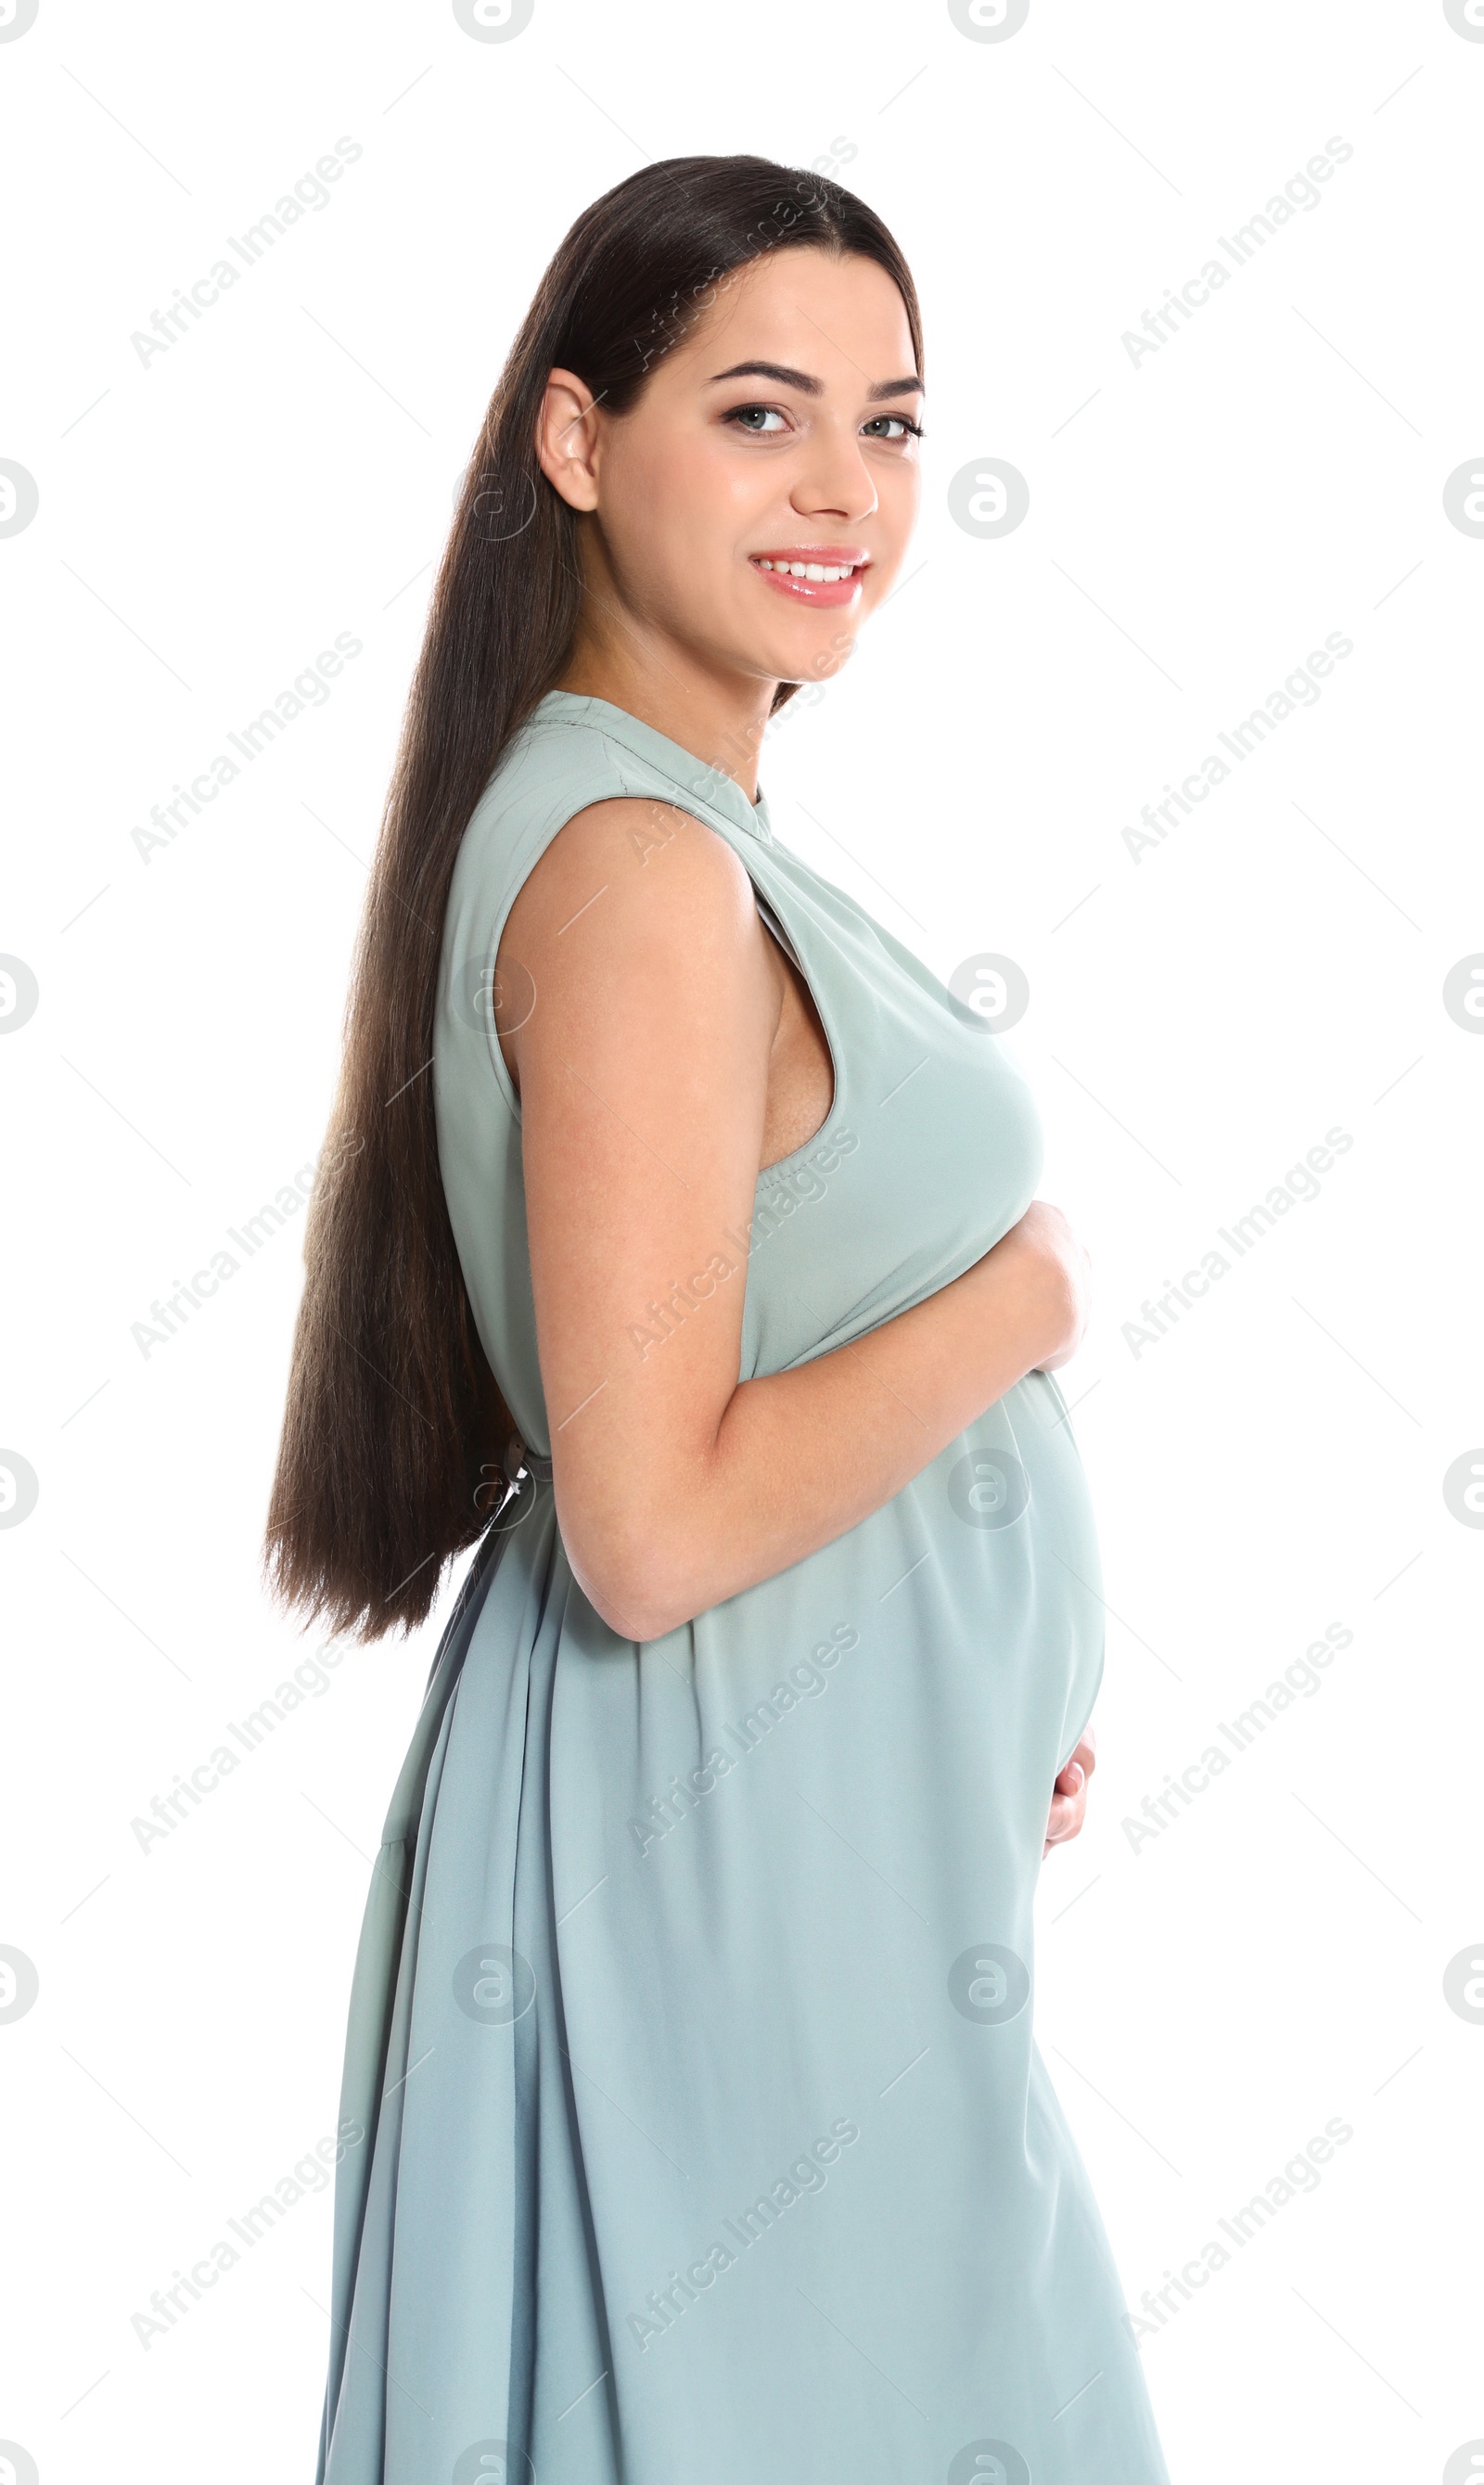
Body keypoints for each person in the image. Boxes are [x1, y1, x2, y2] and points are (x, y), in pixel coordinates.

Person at [267, 153, 1171, 2485]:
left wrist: (962, 1694)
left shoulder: (674, 827)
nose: (844, 492)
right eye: (760, 413)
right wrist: (1029, 1293)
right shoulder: (640, 874)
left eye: (888, 423)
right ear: (578, 442)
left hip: (800, 1837)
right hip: (729, 1885)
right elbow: (650, 1529)